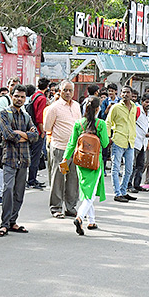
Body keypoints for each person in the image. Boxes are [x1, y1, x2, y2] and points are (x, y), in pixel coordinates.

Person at [0, 86, 38, 237]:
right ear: (11, 96)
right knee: (8, 190)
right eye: (17, 96)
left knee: (19, 193)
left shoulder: (26, 116)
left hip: (24, 159)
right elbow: (8, 135)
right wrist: (26, 135)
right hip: (9, 158)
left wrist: (20, 134)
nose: (19, 99)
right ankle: (4, 224)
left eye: (22, 97)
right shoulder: (4, 113)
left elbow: (36, 135)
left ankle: (13, 222)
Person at [62, 96, 110, 234]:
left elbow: (72, 143)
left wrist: (65, 159)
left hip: (81, 163)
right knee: (91, 195)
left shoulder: (79, 123)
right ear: (97, 109)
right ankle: (80, 217)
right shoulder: (100, 124)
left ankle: (92, 220)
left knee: (87, 191)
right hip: (95, 163)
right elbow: (105, 143)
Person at [43, 80, 81, 219]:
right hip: (59, 148)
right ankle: (56, 208)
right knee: (58, 179)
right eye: (65, 90)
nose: (68, 93)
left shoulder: (77, 106)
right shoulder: (54, 107)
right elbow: (47, 127)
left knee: (73, 180)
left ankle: (70, 207)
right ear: (60, 91)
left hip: (74, 149)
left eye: (70, 90)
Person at [105, 86, 138, 203]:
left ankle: (124, 191)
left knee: (129, 168)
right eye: (123, 92)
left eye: (127, 92)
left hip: (130, 141)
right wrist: (108, 136)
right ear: (120, 94)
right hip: (118, 140)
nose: (125, 94)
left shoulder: (134, 107)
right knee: (115, 168)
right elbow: (108, 122)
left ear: (131, 94)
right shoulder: (116, 107)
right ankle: (117, 193)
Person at [26, 79, 52, 190]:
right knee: (35, 156)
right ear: (47, 87)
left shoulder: (34, 95)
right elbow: (39, 117)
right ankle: (32, 180)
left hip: (31, 129)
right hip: (37, 130)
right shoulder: (42, 98)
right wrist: (42, 132)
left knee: (32, 155)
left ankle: (31, 179)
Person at [129, 92, 149, 194]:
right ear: (142, 102)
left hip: (143, 143)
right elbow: (131, 123)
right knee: (132, 165)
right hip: (135, 142)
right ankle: (128, 185)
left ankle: (137, 184)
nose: (148, 104)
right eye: (146, 102)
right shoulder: (137, 110)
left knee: (140, 165)